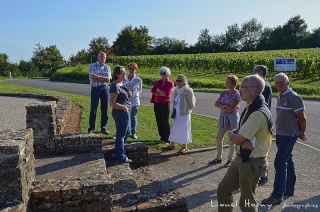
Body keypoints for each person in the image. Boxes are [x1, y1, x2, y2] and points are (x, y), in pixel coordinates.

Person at [217, 75, 273, 212]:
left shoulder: (258, 113)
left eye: (242, 87)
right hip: (241, 158)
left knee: (247, 202)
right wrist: (238, 137)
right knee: (223, 189)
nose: (239, 90)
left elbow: (236, 138)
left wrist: (233, 134)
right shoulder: (251, 107)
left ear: (254, 90)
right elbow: (239, 133)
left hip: (252, 162)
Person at [262, 73, 307, 205]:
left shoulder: (294, 97)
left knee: (280, 162)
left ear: (288, 83)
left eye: (282, 82)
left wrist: (301, 132)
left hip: (289, 135)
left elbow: (302, 118)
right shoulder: (280, 96)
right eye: (277, 83)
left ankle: (277, 195)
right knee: (288, 160)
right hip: (281, 134)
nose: (279, 85)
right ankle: (289, 189)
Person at [208, 75, 240, 168]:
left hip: (232, 118)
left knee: (231, 140)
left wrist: (222, 106)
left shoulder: (236, 94)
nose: (226, 84)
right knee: (218, 138)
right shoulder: (223, 93)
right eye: (226, 82)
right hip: (223, 117)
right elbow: (216, 104)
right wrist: (224, 106)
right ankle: (218, 157)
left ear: (234, 84)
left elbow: (231, 109)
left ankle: (230, 159)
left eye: (228, 82)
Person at [162, 74, 196, 153]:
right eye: (177, 81)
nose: (178, 82)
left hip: (184, 113)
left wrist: (188, 110)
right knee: (175, 128)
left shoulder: (188, 90)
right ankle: (172, 144)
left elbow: (191, 103)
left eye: (180, 81)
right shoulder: (176, 90)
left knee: (184, 129)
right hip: (176, 113)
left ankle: (184, 146)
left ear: (184, 82)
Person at [252, 65, 273, 184]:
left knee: (261, 147)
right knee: (258, 146)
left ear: (260, 72)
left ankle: (263, 175)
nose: (252, 73)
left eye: (254, 71)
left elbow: (260, 103)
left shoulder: (264, 86)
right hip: (260, 117)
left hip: (262, 119)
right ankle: (261, 173)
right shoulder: (264, 84)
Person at [109, 66, 132, 163]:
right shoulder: (115, 86)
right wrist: (124, 108)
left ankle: (116, 152)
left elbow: (122, 97)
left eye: (124, 72)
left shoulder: (122, 84)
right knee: (121, 135)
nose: (125, 73)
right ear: (117, 74)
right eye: (122, 72)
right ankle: (121, 157)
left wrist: (128, 94)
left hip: (125, 112)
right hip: (120, 113)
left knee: (127, 132)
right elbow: (112, 103)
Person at [88, 52, 111, 134]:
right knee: (93, 109)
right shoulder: (92, 66)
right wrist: (102, 78)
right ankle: (91, 128)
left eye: (104, 57)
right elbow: (92, 77)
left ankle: (103, 128)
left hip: (105, 88)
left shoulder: (107, 67)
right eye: (101, 57)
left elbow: (108, 79)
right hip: (95, 88)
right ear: (98, 57)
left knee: (105, 109)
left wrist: (98, 77)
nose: (103, 58)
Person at [151, 67, 174, 143]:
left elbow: (167, 94)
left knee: (165, 121)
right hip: (157, 103)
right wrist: (160, 92)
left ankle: (167, 138)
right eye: (161, 73)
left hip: (164, 103)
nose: (162, 75)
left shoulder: (170, 83)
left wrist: (158, 91)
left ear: (167, 74)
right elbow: (153, 90)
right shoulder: (158, 82)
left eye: (164, 73)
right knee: (158, 120)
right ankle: (162, 136)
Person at [123, 62, 142, 139]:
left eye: (133, 69)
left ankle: (133, 132)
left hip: (134, 101)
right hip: (125, 101)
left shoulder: (138, 80)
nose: (131, 70)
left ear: (136, 70)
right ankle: (124, 131)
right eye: (130, 68)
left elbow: (139, 90)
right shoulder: (124, 78)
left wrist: (133, 94)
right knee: (125, 116)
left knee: (133, 117)